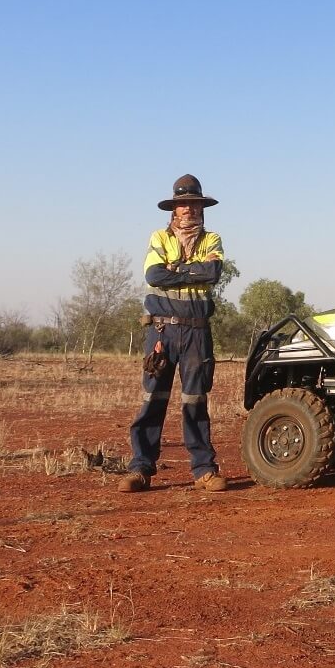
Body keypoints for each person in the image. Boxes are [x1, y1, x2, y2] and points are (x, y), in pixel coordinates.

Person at [119, 175, 227, 493]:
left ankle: (204, 471)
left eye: (194, 203)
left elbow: (213, 272)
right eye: (183, 204)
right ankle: (140, 469)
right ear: (174, 209)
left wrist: (175, 269)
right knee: (153, 399)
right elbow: (154, 275)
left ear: (201, 208)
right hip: (161, 331)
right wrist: (192, 270)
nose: (189, 209)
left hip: (197, 332)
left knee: (195, 401)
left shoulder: (212, 239)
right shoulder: (159, 237)